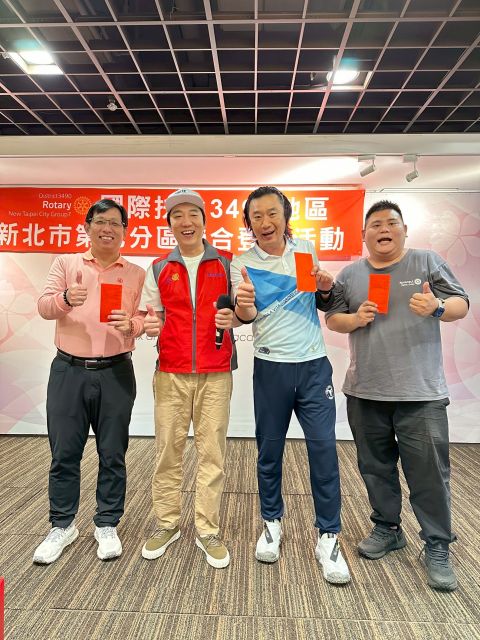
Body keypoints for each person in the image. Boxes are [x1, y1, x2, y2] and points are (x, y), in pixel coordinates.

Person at [325, 200, 469, 592]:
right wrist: (355, 319)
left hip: (420, 393)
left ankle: (437, 544)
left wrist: (437, 307)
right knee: (375, 468)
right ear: (364, 235)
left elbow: (460, 304)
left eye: (391, 223)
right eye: (375, 224)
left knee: (428, 473)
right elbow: (333, 318)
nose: (384, 229)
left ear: (404, 230)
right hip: (365, 390)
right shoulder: (351, 274)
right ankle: (387, 528)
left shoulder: (426, 262)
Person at [230, 186, 351, 584]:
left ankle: (328, 536)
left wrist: (326, 287)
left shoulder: (305, 251)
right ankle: (271, 523)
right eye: (257, 216)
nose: (265, 222)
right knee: (269, 451)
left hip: (313, 367)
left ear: (285, 216)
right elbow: (244, 315)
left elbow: (320, 300)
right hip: (271, 368)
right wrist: (244, 304)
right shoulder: (242, 263)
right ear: (249, 223)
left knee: (323, 450)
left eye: (272, 213)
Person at [33, 199, 145, 564]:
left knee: (113, 453)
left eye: (115, 223)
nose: (107, 228)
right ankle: (62, 525)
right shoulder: (67, 264)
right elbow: (44, 306)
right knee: (64, 452)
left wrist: (133, 325)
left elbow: (147, 318)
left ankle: (107, 523)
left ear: (125, 231)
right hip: (68, 371)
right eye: (100, 221)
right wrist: (66, 298)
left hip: (116, 372)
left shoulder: (136, 273)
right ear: (87, 227)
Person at [140, 188, 236, 569]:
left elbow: (244, 311)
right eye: (177, 215)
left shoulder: (227, 263)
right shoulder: (159, 268)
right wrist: (150, 325)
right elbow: (152, 316)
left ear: (204, 221)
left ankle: (207, 530)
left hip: (216, 373)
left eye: (193, 214)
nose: (186, 222)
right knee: (168, 452)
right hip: (171, 373)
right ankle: (167, 524)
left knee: (212, 454)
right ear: (169, 225)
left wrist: (238, 316)